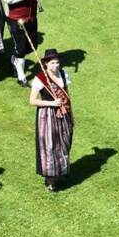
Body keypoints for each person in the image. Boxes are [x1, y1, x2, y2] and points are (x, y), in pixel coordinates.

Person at [29, 49, 73, 192]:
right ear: (46, 64)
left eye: (57, 62)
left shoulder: (64, 75)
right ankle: (50, 180)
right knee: (50, 146)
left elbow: (67, 95)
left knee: (64, 142)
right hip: (47, 115)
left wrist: (69, 111)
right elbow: (32, 100)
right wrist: (52, 103)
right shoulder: (40, 78)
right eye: (53, 63)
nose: (56, 65)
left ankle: (61, 170)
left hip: (63, 113)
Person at [1, 0, 47, 86]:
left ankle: (14, 60)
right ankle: (21, 77)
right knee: (21, 48)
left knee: (32, 46)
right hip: (15, 18)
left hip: (31, 16)